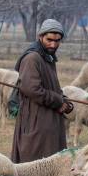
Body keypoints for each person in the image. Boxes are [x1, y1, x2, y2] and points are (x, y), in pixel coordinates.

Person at [11, 19, 73, 163]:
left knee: (51, 165)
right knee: (34, 165)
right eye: (49, 40)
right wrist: (58, 101)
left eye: (57, 40)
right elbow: (32, 89)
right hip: (35, 122)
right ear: (40, 37)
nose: (53, 44)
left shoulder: (48, 57)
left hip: (48, 121)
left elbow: (51, 87)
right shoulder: (32, 58)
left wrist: (64, 101)